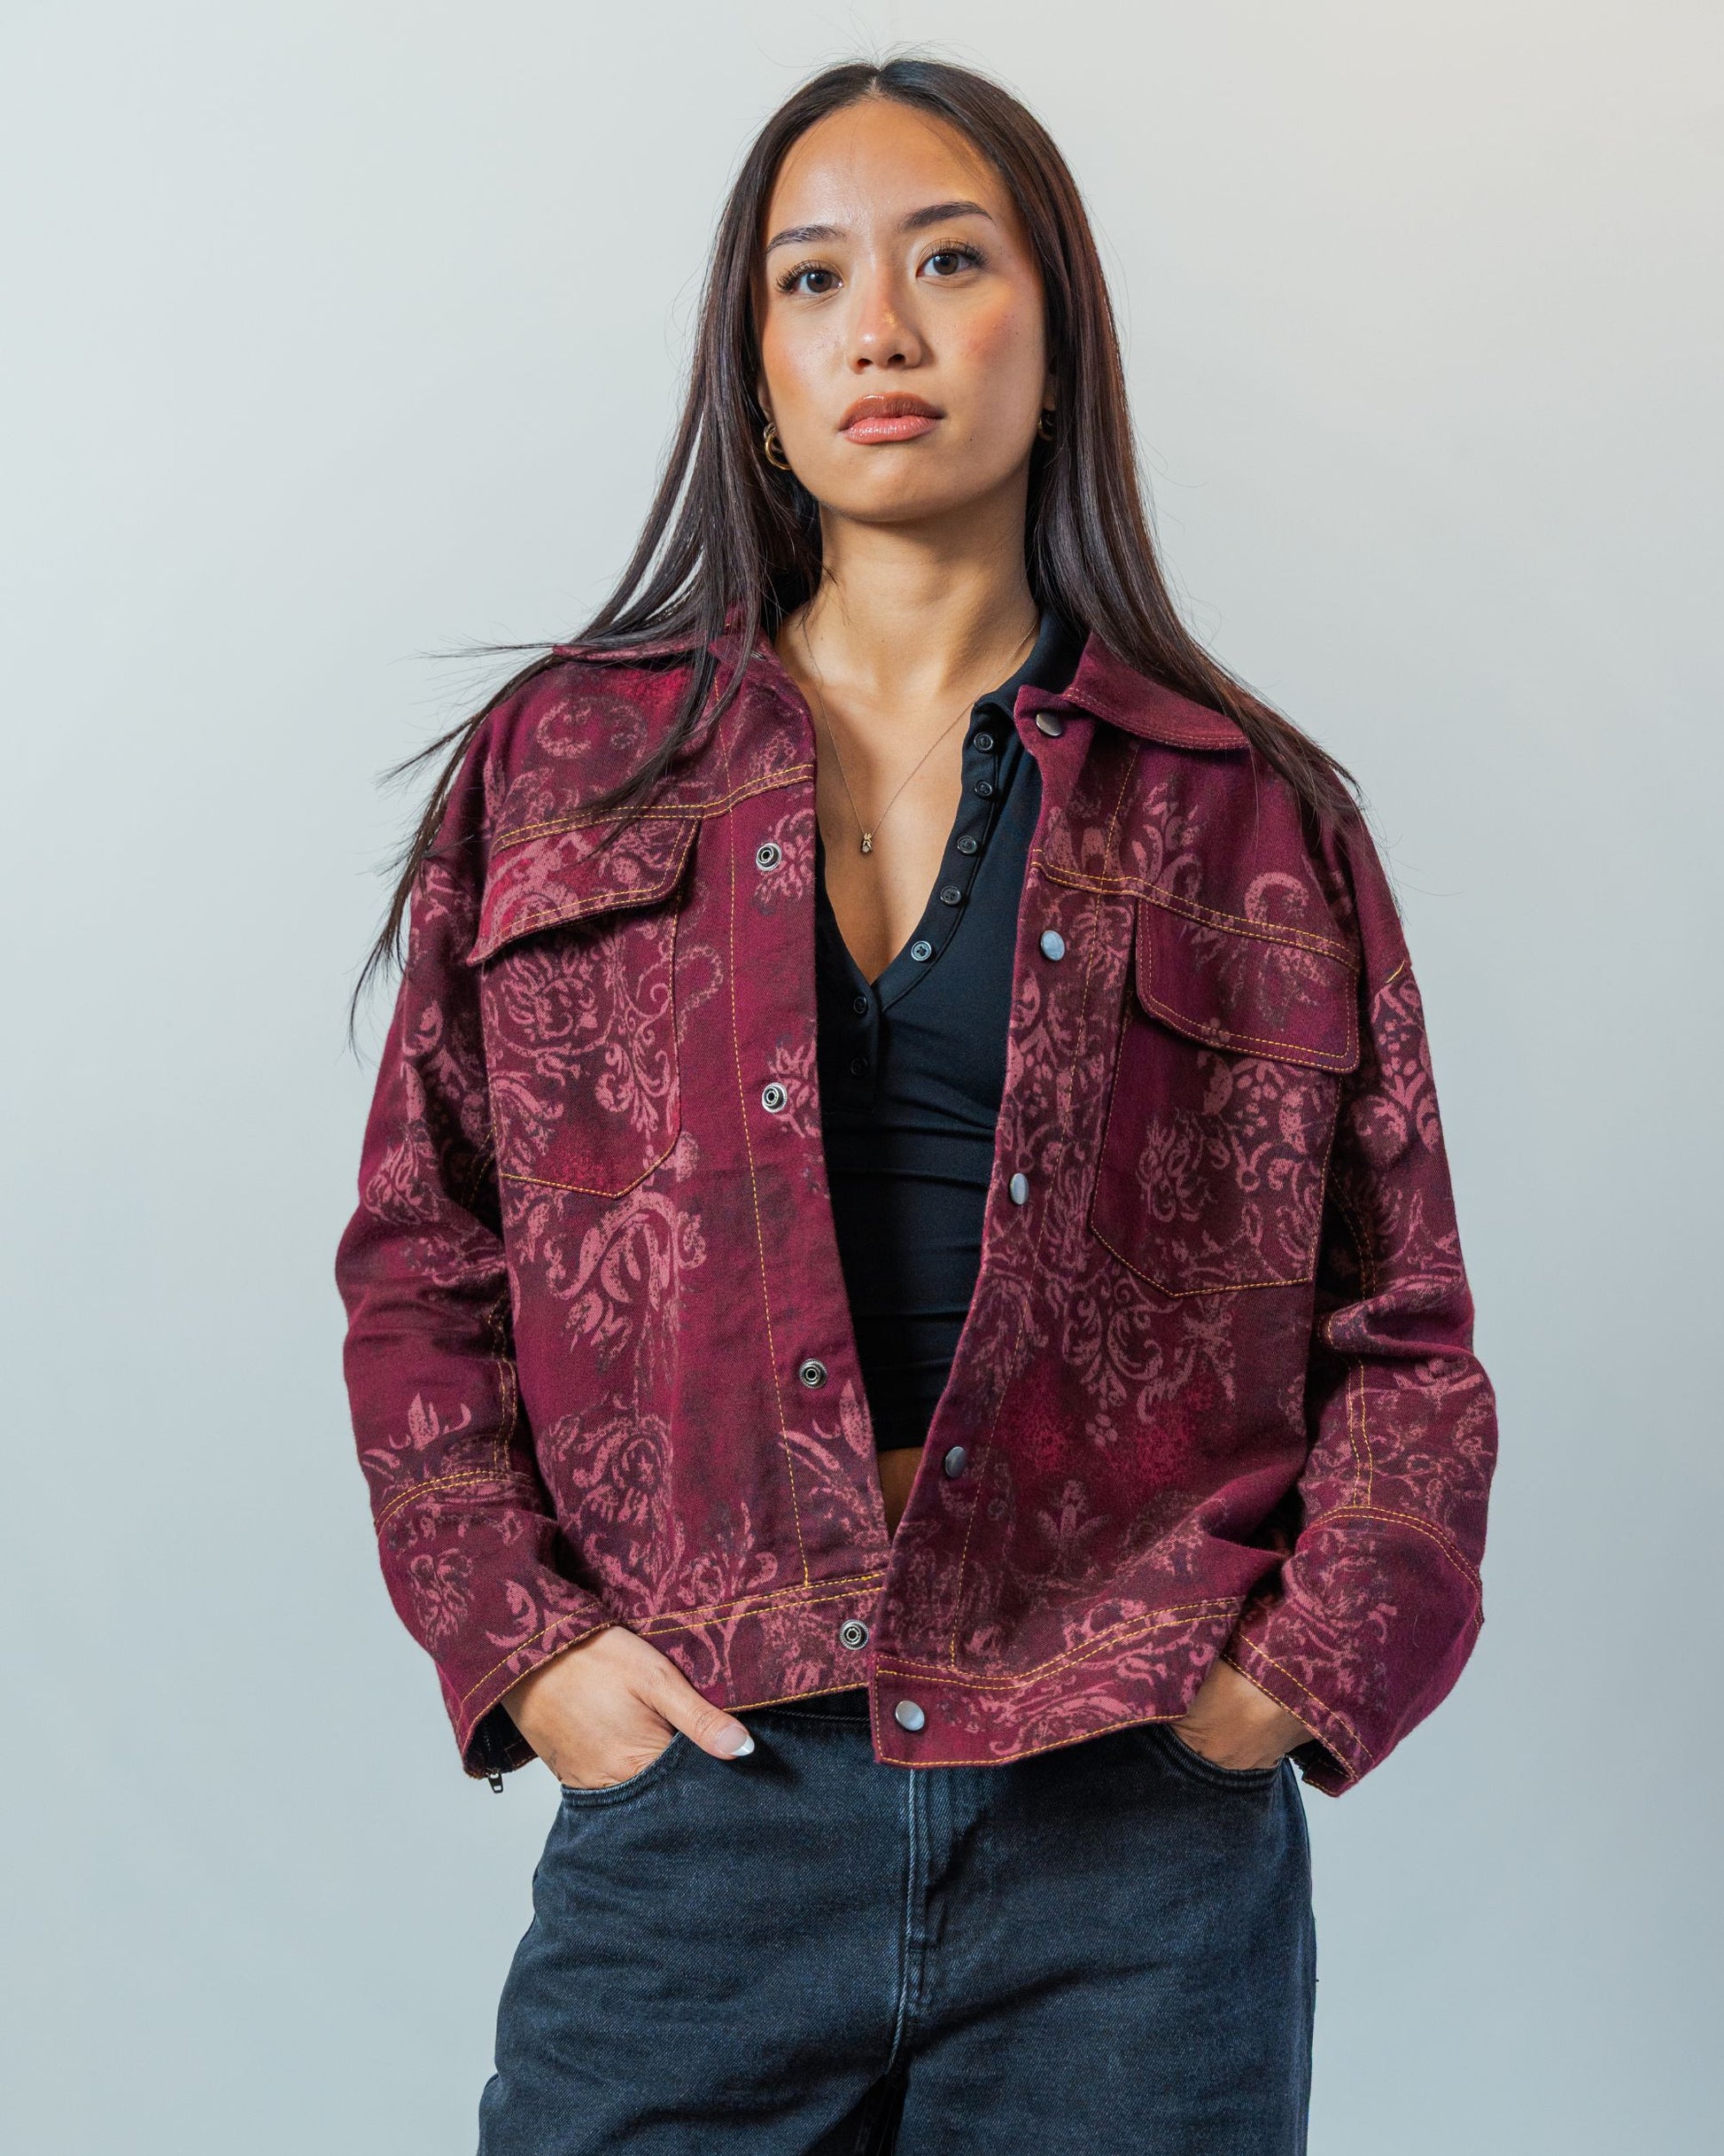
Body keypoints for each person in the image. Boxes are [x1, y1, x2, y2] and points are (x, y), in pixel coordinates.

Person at [335, 53, 1497, 2156]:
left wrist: (1276, 1690)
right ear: (754, 372)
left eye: (947, 260)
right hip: (701, 1793)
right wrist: (532, 1655)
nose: (877, 325)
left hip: (1129, 1829)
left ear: (1052, 339)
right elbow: (425, 1263)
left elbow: (1403, 1330)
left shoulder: (1253, 815)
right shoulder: (562, 773)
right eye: (810, 280)